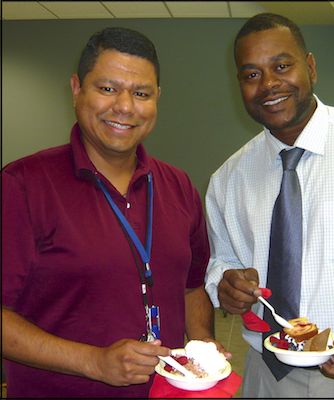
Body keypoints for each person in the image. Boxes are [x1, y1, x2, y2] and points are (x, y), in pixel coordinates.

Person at [2, 27, 228, 398]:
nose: (125, 106)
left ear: (157, 98)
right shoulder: (22, 185)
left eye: (141, 93)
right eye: (107, 89)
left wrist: (203, 345)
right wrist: (94, 362)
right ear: (76, 89)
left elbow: (191, 286)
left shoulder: (178, 186)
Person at [205, 13, 334, 398]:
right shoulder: (227, 180)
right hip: (265, 375)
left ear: (310, 67)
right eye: (251, 74)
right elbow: (219, 263)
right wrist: (224, 286)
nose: (269, 84)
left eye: (281, 66)